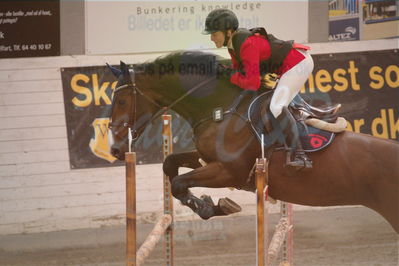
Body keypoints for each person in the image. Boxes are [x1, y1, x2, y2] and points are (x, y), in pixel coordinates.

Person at [202, 8, 313, 169]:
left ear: (227, 32)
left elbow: (251, 83)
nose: (212, 38)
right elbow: (239, 73)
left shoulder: (245, 43)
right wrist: (226, 73)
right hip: (288, 66)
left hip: (298, 63)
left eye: (214, 33)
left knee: (276, 107)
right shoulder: (233, 45)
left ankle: (301, 156)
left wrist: (230, 75)